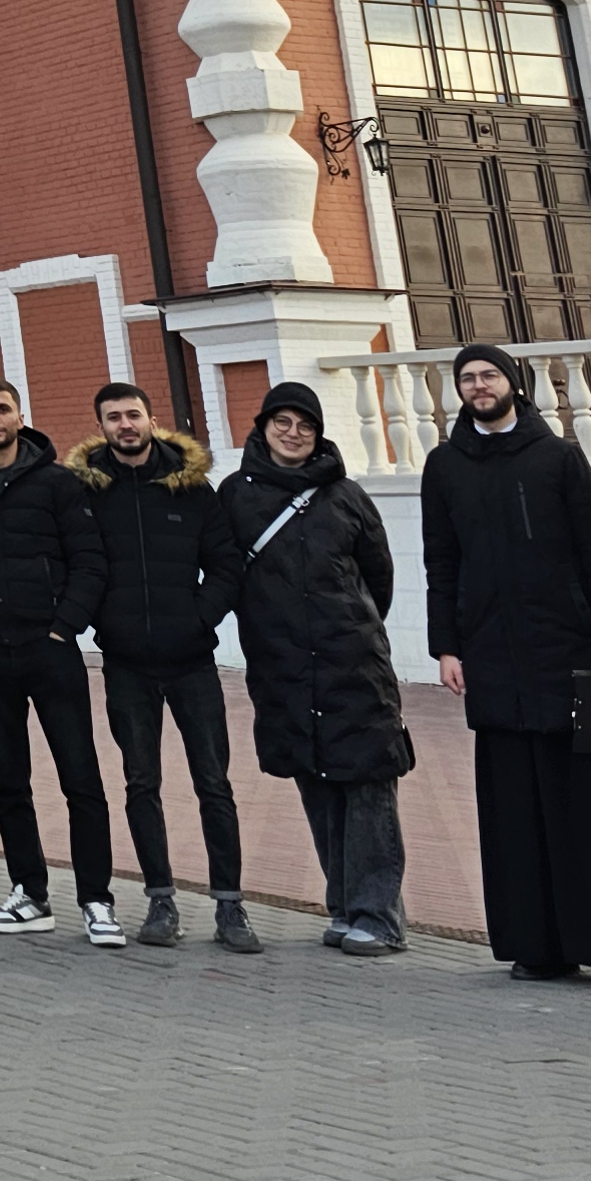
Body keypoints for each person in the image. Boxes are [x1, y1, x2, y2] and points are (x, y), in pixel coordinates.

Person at [425, 344, 591, 989]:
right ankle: (538, 945)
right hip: (492, 658)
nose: (478, 386)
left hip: (573, 656)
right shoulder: (445, 466)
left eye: (488, 375)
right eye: (467, 379)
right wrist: (447, 647)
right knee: (514, 807)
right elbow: (443, 562)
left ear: (512, 384)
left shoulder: (558, 457)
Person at [216, 383, 414, 957]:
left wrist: (350, 627)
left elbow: (379, 578)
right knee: (318, 781)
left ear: (318, 432)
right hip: (281, 666)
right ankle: (344, 907)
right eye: (283, 421)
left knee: (370, 783)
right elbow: (227, 572)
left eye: (305, 423)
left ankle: (379, 916)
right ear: (263, 427)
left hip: (353, 664)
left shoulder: (345, 495)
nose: (294, 432)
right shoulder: (237, 495)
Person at [68, 380, 256, 952]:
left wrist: (199, 619)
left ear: (152, 420)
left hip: (192, 662)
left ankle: (231, 908)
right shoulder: (86, 493)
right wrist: (107, 622)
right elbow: (75, 562)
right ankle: (160, 901)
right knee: (140, 783)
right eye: (113, 417)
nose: (125, 426)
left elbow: (226, 565)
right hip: (125, 664)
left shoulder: (193, 490)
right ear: (100, 426)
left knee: (213, 784)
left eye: (133, 415)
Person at [0, 373, 114, 942]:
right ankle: (30, 894)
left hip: (51, 652)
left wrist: (63, 629)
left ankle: (97, 900)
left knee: (81, 779)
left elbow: (90, 562)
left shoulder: (59, 484)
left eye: (2, 408)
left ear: (19, 415)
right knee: (9, 781)